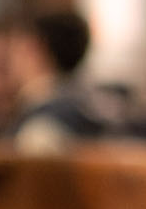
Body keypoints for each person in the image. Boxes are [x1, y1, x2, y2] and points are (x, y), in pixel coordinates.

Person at [7, 9, 106, 152]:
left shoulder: (44, 125)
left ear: (33, 48)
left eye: (15, 46)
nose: (9, 57)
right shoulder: (84, 103)